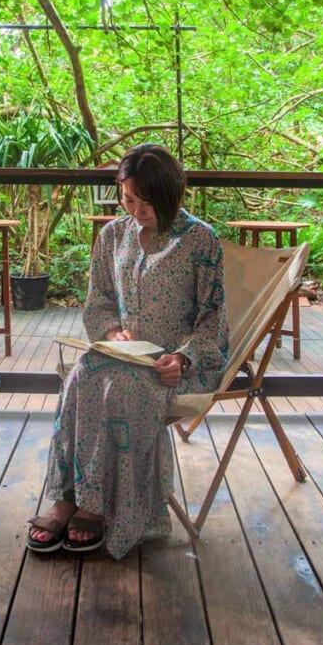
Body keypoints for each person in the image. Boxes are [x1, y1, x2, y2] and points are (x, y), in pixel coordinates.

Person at [27, 142, 229, 559]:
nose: (137, 210)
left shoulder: (200, 241)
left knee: (121, 387)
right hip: (121, 355)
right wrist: (112, 331)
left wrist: (184, 357)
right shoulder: (112, 235)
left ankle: (98, 506)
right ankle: (69, 496)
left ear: (171, 194)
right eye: (129, 199)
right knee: (82, 372)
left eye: (147, 201)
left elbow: (214, 319)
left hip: (175, 365)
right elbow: (98, 301)